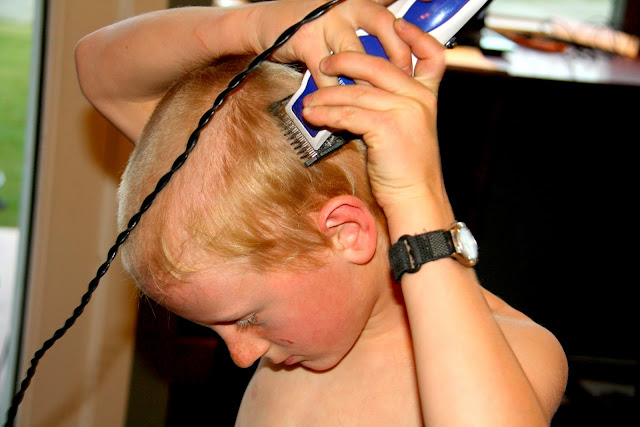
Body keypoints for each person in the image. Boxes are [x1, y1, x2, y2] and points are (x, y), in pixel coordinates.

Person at [75, 1, 568, 425]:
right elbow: (97, 67)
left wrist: (418, 198)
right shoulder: (231, 212)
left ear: (346, 232)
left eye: (249, 318)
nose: (243, 357)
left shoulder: (513, 351)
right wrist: (265, 26)